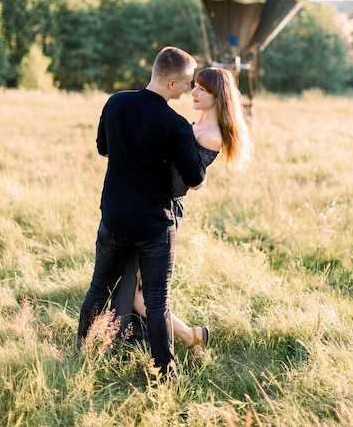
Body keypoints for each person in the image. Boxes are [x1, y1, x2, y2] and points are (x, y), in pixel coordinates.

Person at [77, 46, 206, 379]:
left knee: (98, 288)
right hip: (153, 224)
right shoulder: (175, 125)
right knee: (157, 299)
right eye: (189, 82)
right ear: (173, 83)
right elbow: (195, 179)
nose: (191, 89)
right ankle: (165, 372)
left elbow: (103, 147)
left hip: (115, 215)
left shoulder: (116, 102)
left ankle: (82, 352)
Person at [111, 66, 253, 353]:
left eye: (203, 90)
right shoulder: (198, 124)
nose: (195, 92)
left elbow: (194, 180)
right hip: (152, 204)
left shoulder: (211, 134)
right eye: (196, 86)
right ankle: (139, 338)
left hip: (164, 209)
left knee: (142, 293)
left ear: (219, 97)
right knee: (130, 283)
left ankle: (191, 337)